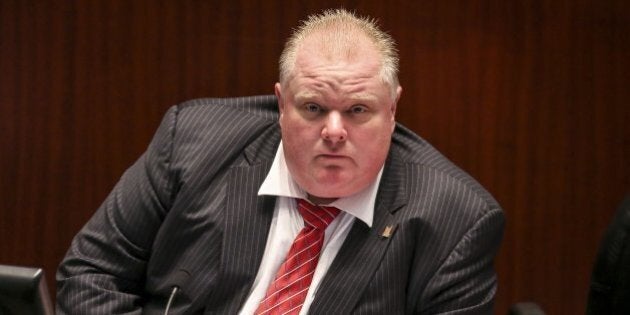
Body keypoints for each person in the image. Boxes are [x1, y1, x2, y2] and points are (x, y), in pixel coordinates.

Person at [56, 8, 504, 314]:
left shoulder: (456, 220)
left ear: (392, 110)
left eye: (357, 111)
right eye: (312, 108)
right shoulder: (193, 143)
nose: (333, 131)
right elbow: (92, 273)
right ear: (281, 103)